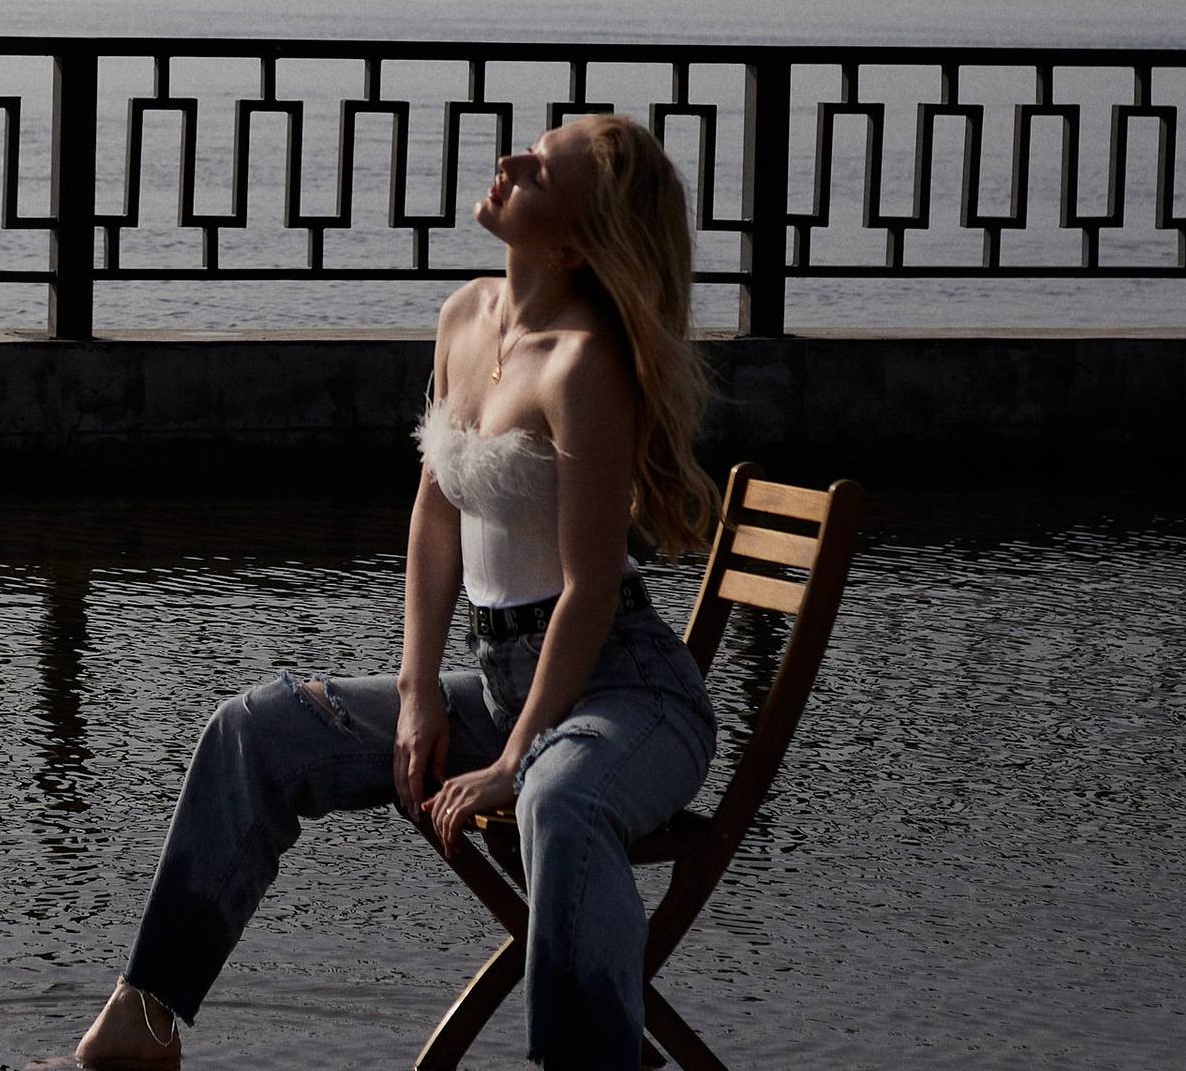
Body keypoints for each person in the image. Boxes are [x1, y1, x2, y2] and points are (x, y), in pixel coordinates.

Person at [74, 113, 721, 1070]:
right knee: (259, 728)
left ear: (581, 243)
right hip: (503, 682)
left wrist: (515, 757)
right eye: (528, 148)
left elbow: (588, 591)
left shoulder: (584, 366)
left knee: (557, 802)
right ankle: (144, 1019)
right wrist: (419, 689)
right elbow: (435, 513)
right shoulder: (467, 318)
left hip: (627, 700)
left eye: (539, 171)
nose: (509, 161)